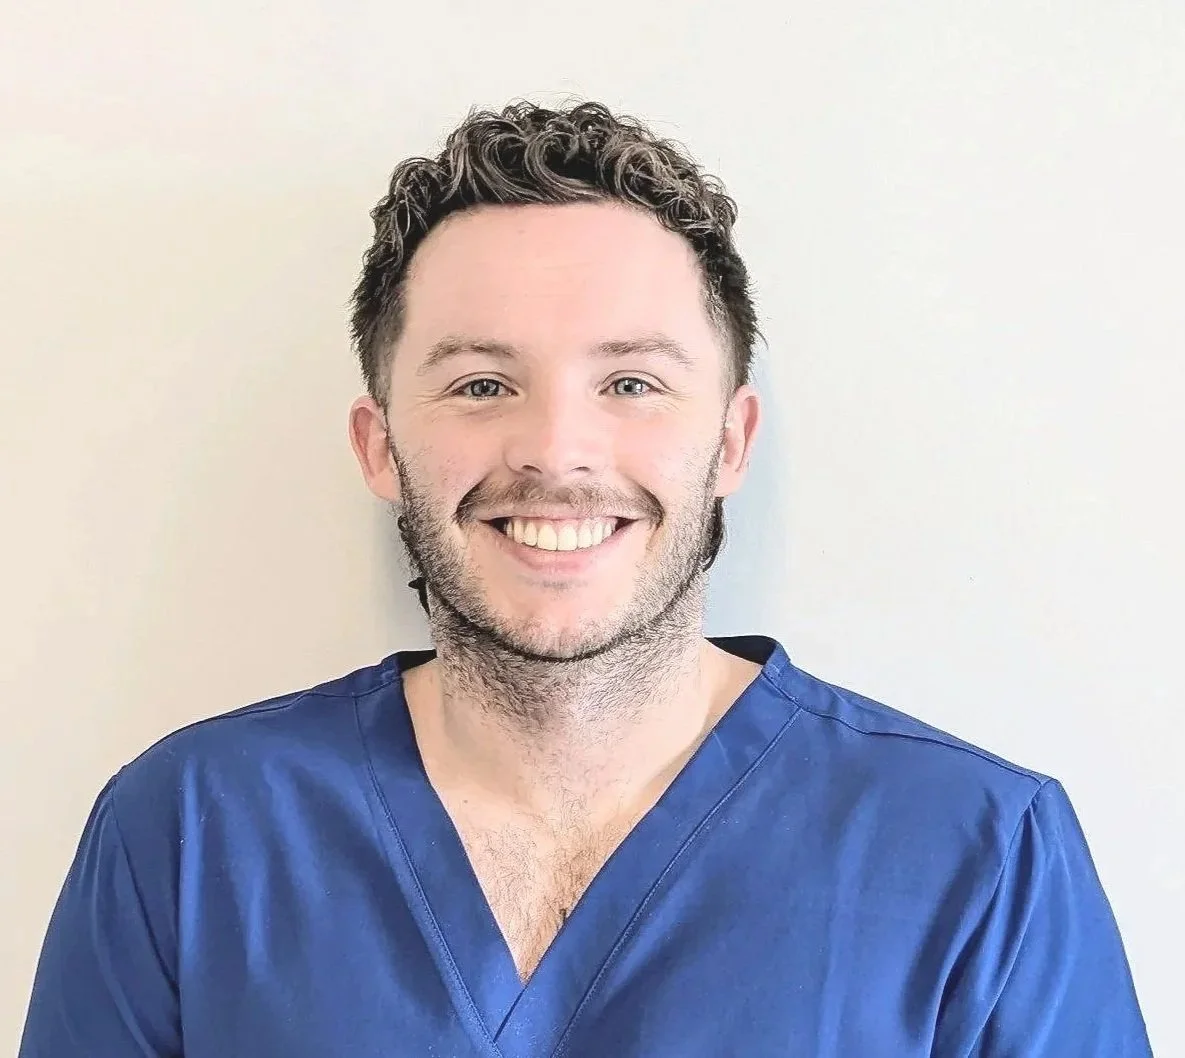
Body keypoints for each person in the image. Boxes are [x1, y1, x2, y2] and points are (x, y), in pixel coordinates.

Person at [19, 100, 1152, 1057]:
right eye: (478, 385)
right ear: (378, 444)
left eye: (632, 383)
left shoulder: (982, 856)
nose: (557, 453)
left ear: (731, 441)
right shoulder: (188, 834)